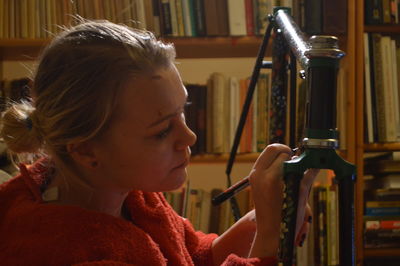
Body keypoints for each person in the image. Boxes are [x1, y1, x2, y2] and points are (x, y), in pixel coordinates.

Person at [0, 20, 316, 265]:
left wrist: (259, 221)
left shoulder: (129, 191)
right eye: (162, 131)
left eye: (183, 112)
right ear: (85, 149)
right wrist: (271, 238)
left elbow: (193, 257)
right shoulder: (63, 249)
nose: (189, 137)